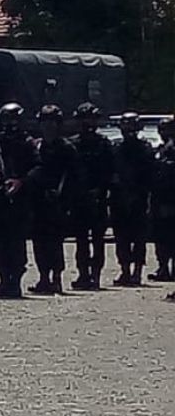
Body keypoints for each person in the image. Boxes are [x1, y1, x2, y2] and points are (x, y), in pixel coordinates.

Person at [0, 103, 38, 299]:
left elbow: (38, 168)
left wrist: (21, 181)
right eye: (6, 120)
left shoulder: (28, 143)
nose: (10, 124)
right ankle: (3, 280)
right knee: (0, 243)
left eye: (13, 120)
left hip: (21, 200)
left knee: (16, 243)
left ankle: (15, 282)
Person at [29, 105, 76, 295]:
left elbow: (73, 176)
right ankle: (43, 278)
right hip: (37, 200)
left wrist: (66, 199)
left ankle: (56, 278)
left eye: (52, 122)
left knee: (55, 242)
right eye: (45, 122)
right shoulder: (36, 146)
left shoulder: (66, 148)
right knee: (38, 242)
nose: (48, 126)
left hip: (58, 202)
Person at [69, 103, 113, 290]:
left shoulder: (104, 144)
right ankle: (83, 274)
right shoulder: (73, 144)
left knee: (97, 239)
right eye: (84, 119)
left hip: (98, 197)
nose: (87, 123)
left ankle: (95, 275)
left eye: (91, 119)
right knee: (81, 240)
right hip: (79, 198)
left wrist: (101, 190)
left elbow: (110, 172)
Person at [110, 112, 152, 287]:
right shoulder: (116, 147)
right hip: (119, 196)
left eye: (131, 126)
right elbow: (111, 171)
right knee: (121, 237)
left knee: (139, 237)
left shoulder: (144, 147)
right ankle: (125, 270)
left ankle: (137, 272)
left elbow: (149, 173)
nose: (128, 130)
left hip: (138, 196)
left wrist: (142, 193)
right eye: (125, 126)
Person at [151, 118, 175, 284]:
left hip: (171, 198)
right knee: (160, 236)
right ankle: (163, 267)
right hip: (159, 198)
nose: (164, 133)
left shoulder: (171, 149)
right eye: (162, 129)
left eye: (167, 129)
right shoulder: (161, 149)